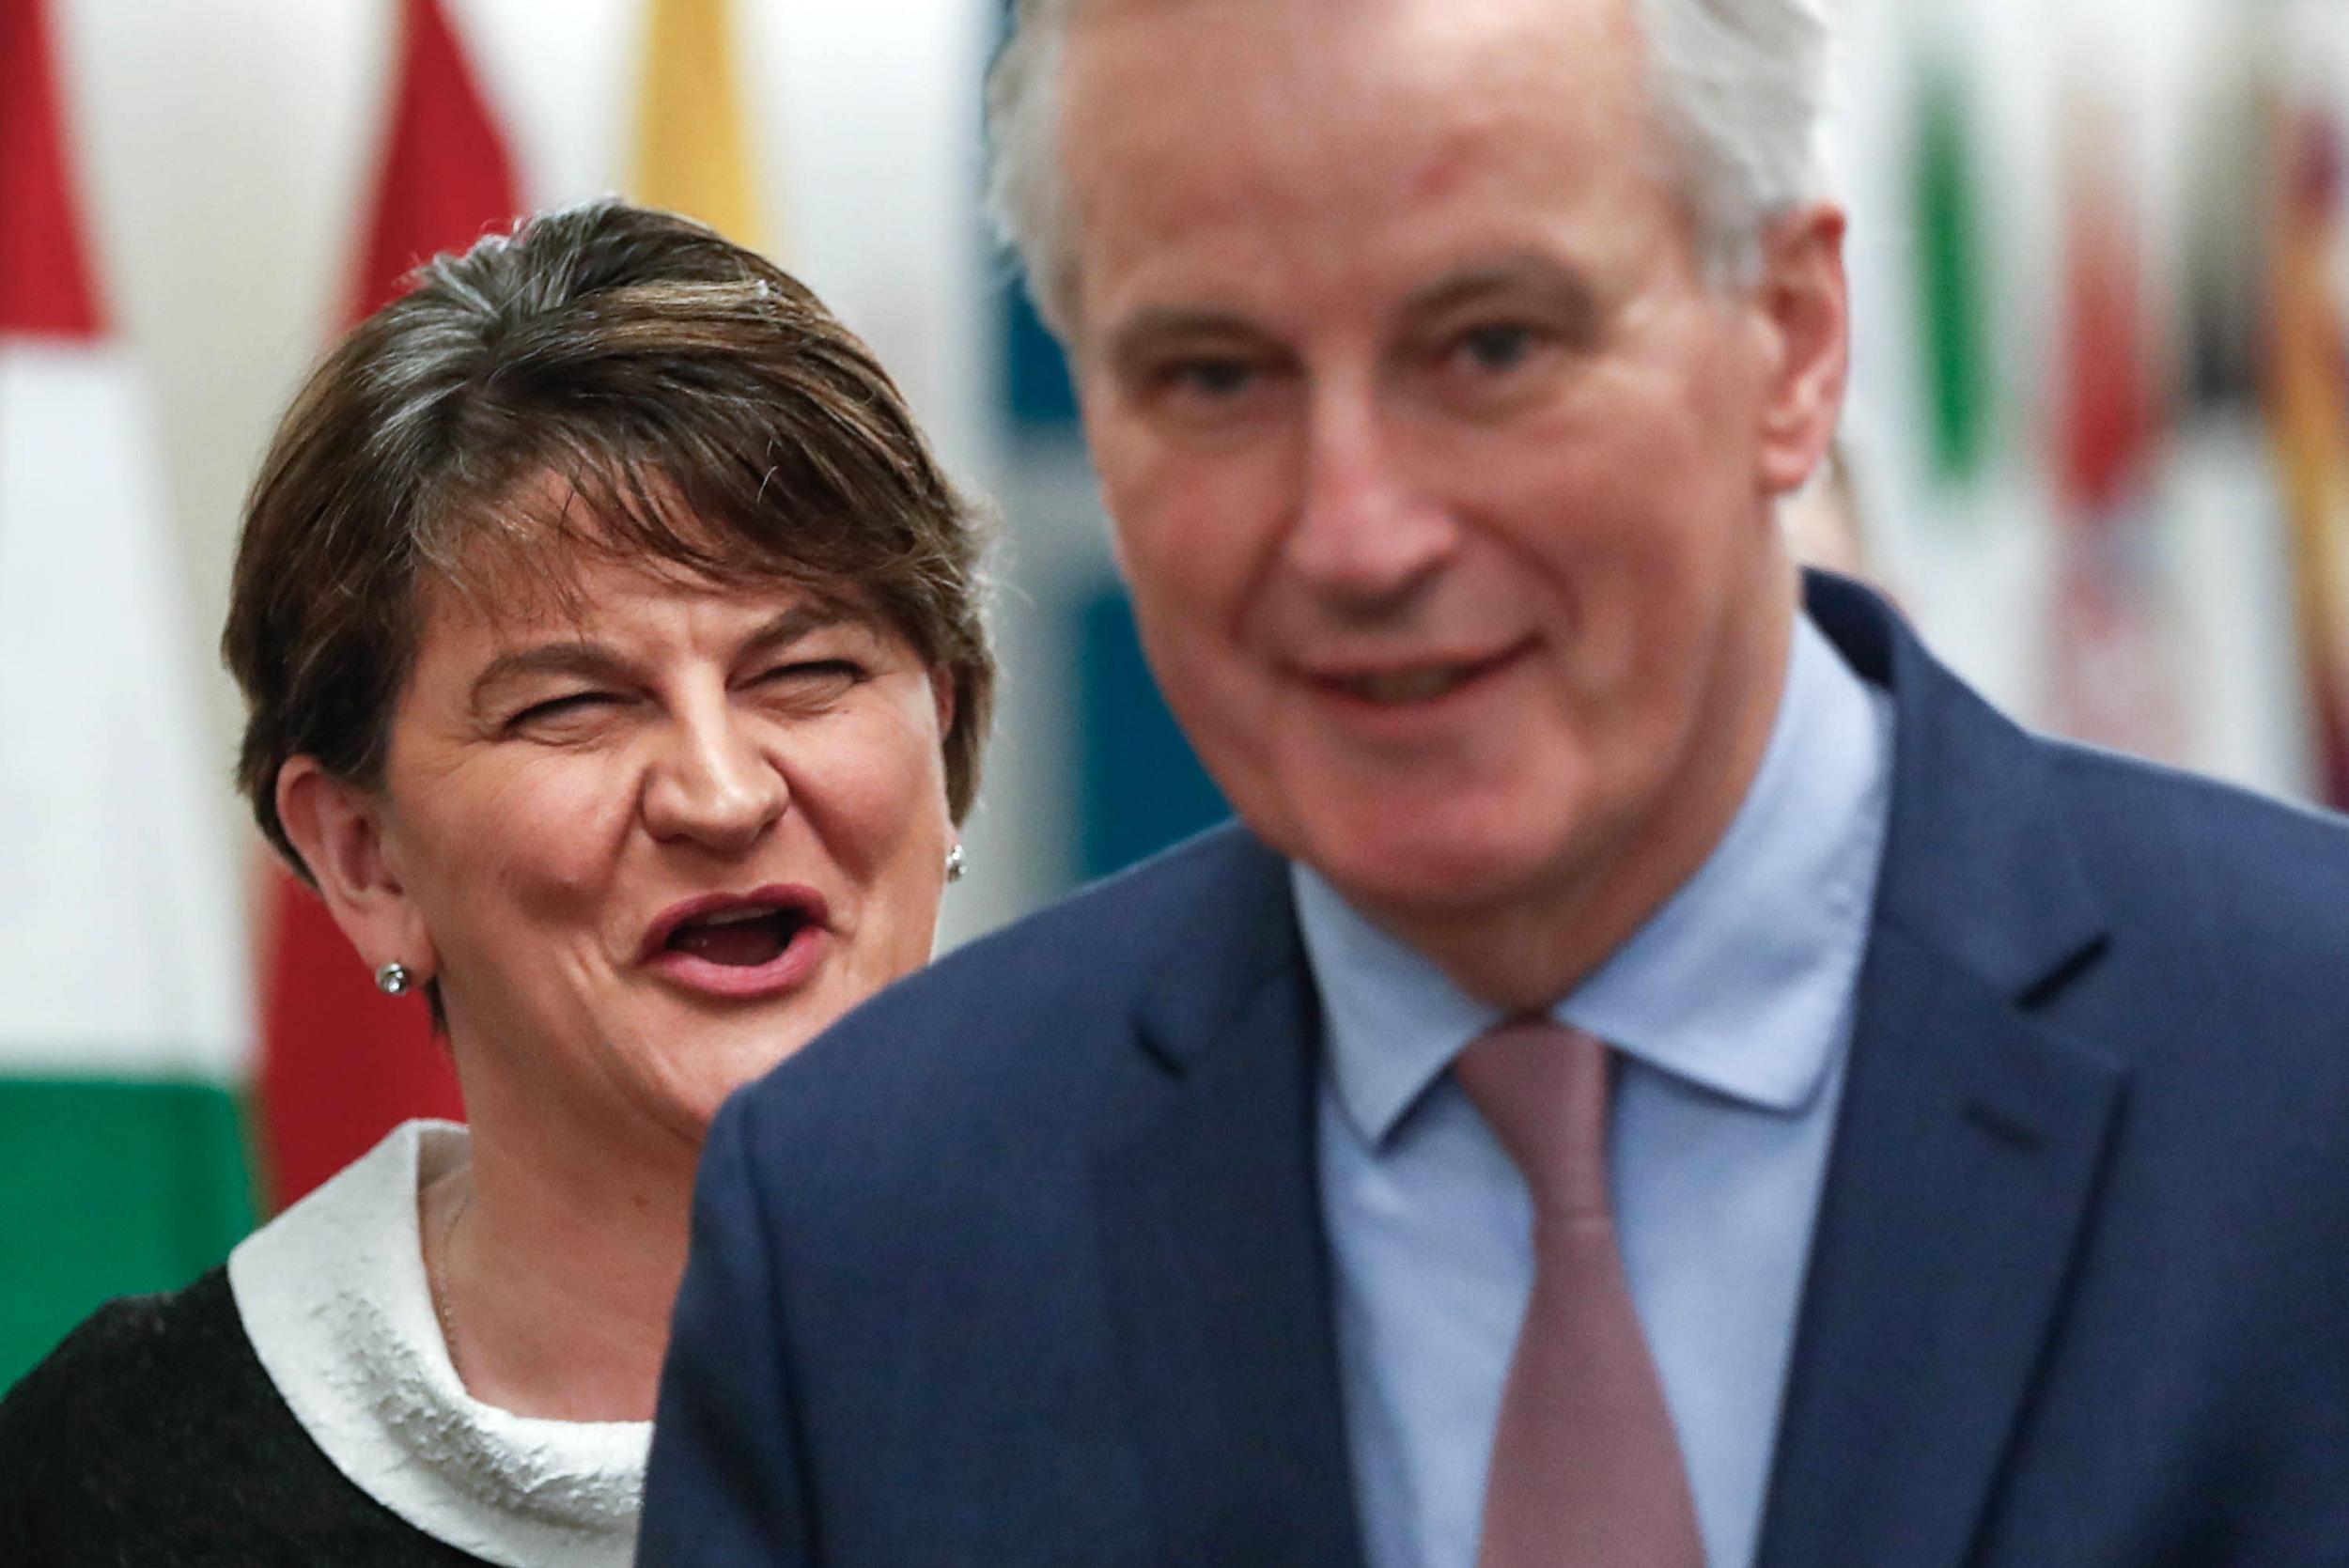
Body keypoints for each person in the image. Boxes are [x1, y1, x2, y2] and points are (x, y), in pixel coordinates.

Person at [639, 0, 2349, 1563]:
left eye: (1491, 346)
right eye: (1215, 375)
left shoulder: (2304, 1069)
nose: (1357, 533)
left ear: (1794, 339)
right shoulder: (865, 1236)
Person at [0, 198, 993, 1566]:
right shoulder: (105, 1495)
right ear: (365, 857)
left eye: (807, 672)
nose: (721, 794)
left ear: (941, 730)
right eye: (572, 706)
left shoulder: (1241, 1324)